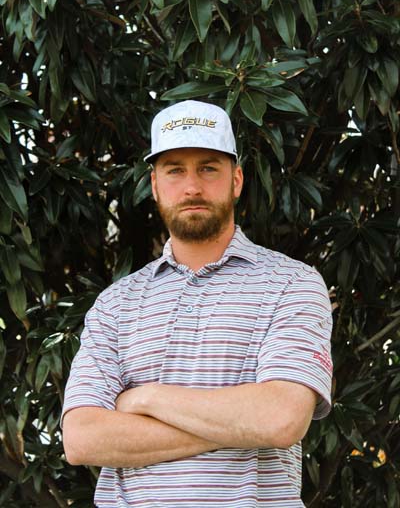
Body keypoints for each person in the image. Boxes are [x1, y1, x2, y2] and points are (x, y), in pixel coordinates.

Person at [62, 100, 333, 508]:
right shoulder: (115, 304)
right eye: (175, 170)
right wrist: (240, 424)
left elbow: (280, 419)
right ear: (155, 185)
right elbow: (82, 438)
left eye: (208, 168)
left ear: (236, 180)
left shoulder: (292, 284)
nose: (192, 187)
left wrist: (145, 399)